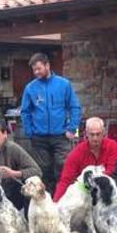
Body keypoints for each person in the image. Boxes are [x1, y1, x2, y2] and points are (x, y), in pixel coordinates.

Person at [20, 52, 81, 191]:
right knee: (43, 171)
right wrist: (30, 132)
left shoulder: (64, 84)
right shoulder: (30, 88)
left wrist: (72, 128)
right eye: (34, 70)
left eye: (39, 69)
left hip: (61, 136)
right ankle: (48, 203)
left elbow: (74, 107)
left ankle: (63, 200)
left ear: (47, 65)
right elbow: (25, 111)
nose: (36, 72)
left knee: (63, 168)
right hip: (39, 137)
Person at [52, 117, 117, 202]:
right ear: (86, 134)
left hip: (107, 190)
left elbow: (112, 172)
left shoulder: (112, 146)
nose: (95, 138)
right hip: (85, 192)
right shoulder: (77, 152)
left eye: (98, 134)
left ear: (103, 132)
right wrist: (55, 203)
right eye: (92, 134)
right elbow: (65, 180)